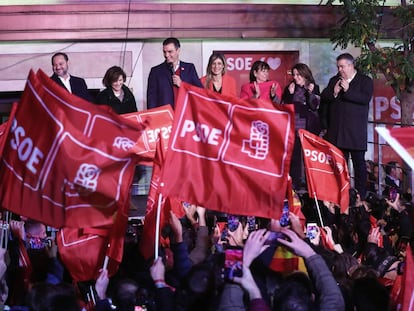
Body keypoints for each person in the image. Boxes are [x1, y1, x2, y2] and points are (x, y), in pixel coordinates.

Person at [320, 53, 373, 199]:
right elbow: (324, 97)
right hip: (337, 133)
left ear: (351, 65)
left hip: (355, 133)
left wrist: (348, 90)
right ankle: (341, 194)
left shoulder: (365, 81)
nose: (340, 70)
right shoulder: (334, 81)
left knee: (359, 166)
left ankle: (360, 197)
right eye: (338, 67)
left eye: (342, 66)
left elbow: (365, 99)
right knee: (340, 167)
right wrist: (334, 92)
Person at [281, 63, 321, 189]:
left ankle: (311, 186)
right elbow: (285, 107)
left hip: (309, 130)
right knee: (295, 160)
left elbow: (315, 105)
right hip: (294, 129)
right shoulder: (290, 88)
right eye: (294, 75)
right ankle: (295, 187)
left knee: (309, 160)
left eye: (298, 74)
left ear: (305, 74)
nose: (296, 77)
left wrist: (310, 93)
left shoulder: (313, 87)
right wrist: (291, 94)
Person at [147, 37, 203, 110]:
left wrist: (182, 85)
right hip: (165, 117)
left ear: (178, 50)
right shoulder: (155, 71)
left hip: (185, 115)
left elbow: (200, 92)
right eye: (164, 52)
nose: (166, 55)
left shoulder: (190, 68)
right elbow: (151, 100)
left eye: (170, 52)